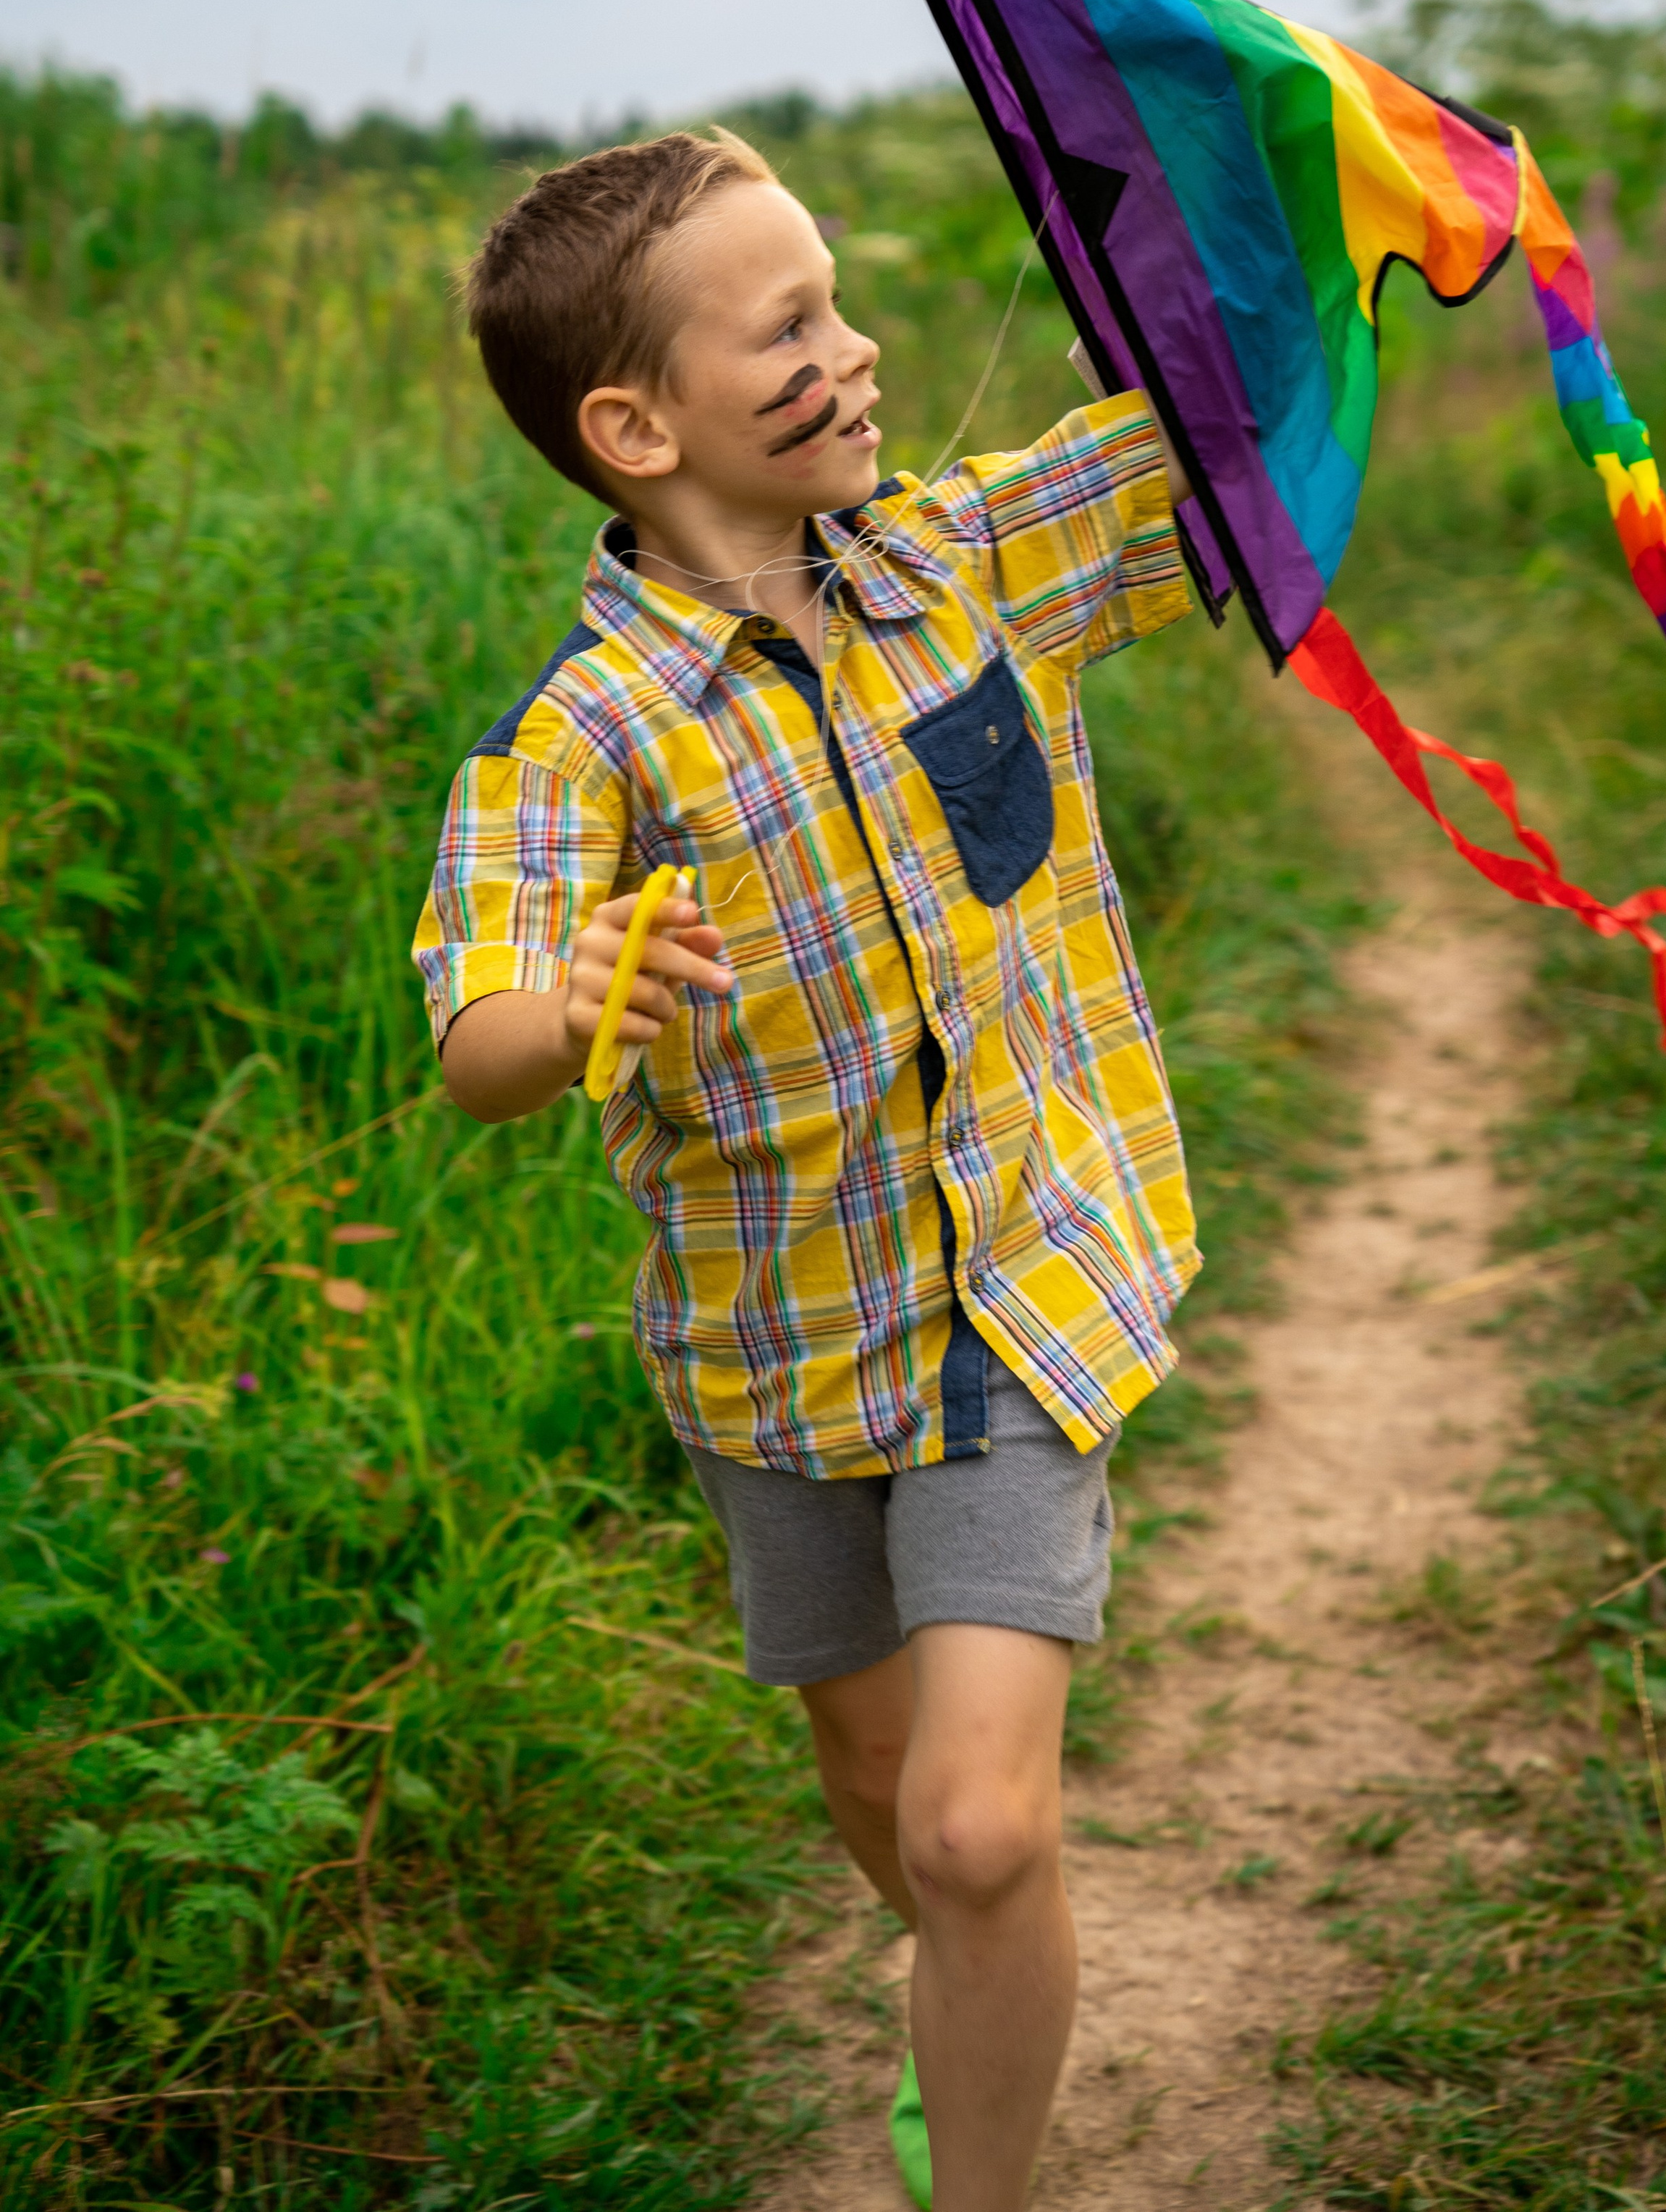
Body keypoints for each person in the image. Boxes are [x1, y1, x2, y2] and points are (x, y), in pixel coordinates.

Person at [414, 127, 1200, 2212]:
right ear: (633, 422)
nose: (856, 351)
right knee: (878, 1786)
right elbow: (482, 1047)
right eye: (791, 327)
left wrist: (1344, 182)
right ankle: (965, 1989)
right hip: (782, 1358)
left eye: (839, 303)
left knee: (977, 1824)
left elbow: (1209, 429)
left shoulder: (963, 560)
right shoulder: (578, 743)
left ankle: (990, 2169)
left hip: (1019, 1280)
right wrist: (573, 1003)